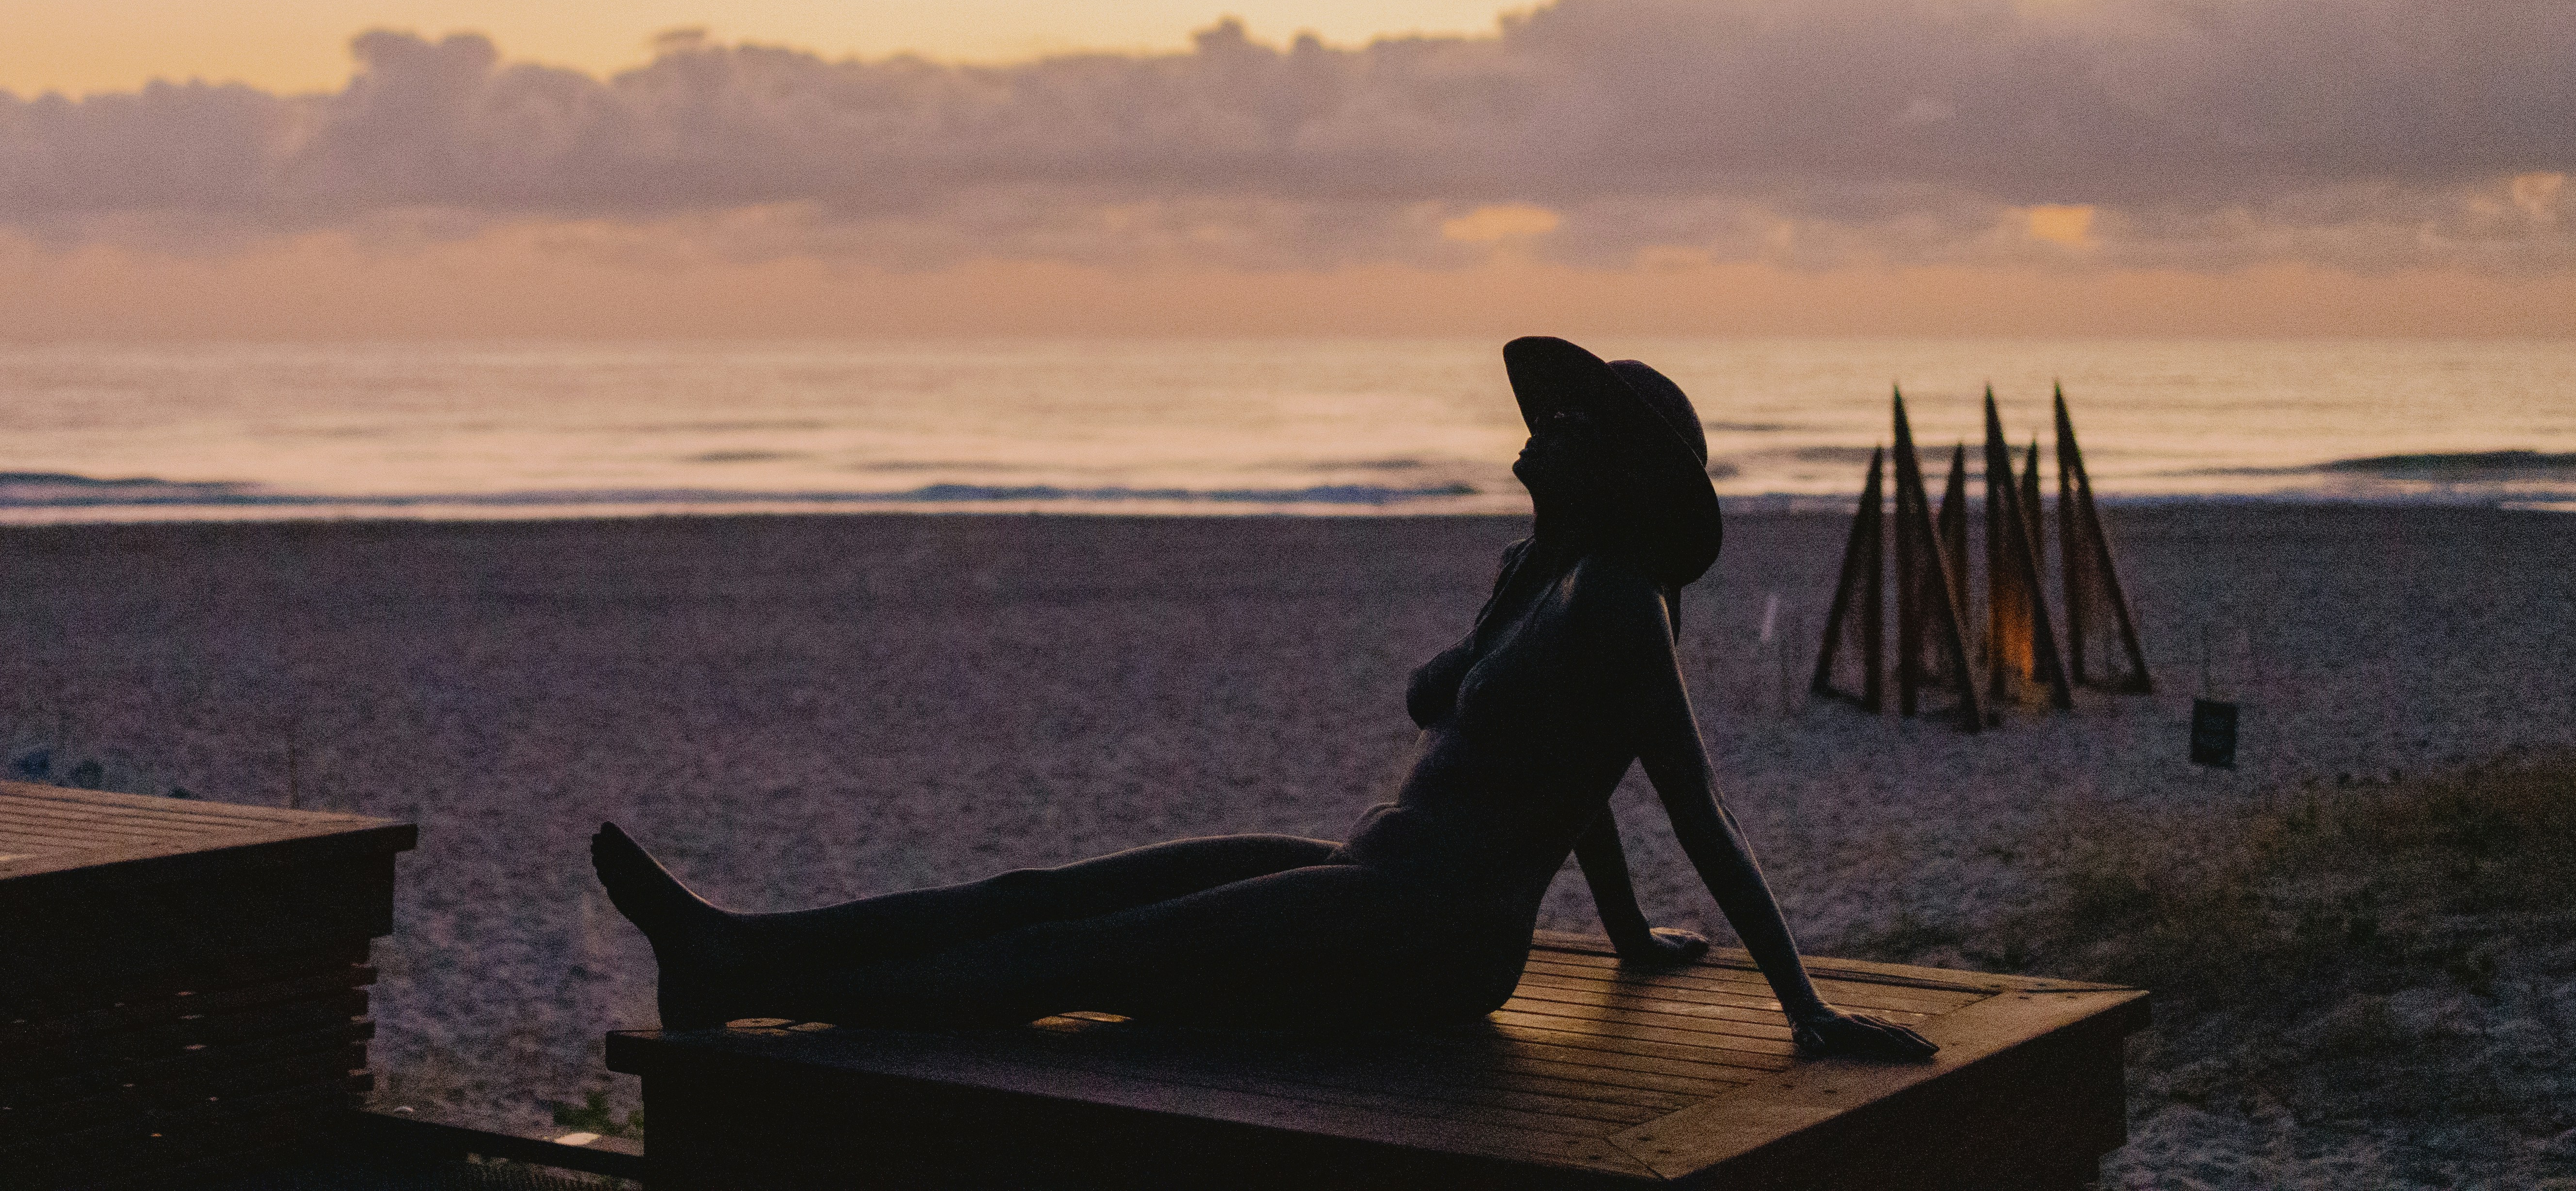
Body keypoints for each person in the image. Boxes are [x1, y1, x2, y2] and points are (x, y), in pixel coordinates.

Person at [591, 338, 1936, 1058]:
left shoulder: (1622, 612)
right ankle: (736, 947)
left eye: (1567, 425)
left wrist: (1801, 1010)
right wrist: (1634, 938)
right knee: (1049, 895)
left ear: (1615, 471)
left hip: (1430, 937)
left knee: (1079, 969)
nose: (1532, 429)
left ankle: (758, 997)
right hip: (1371, 869)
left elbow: (1693, 812)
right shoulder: (1541, 580)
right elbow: (1557, 774)